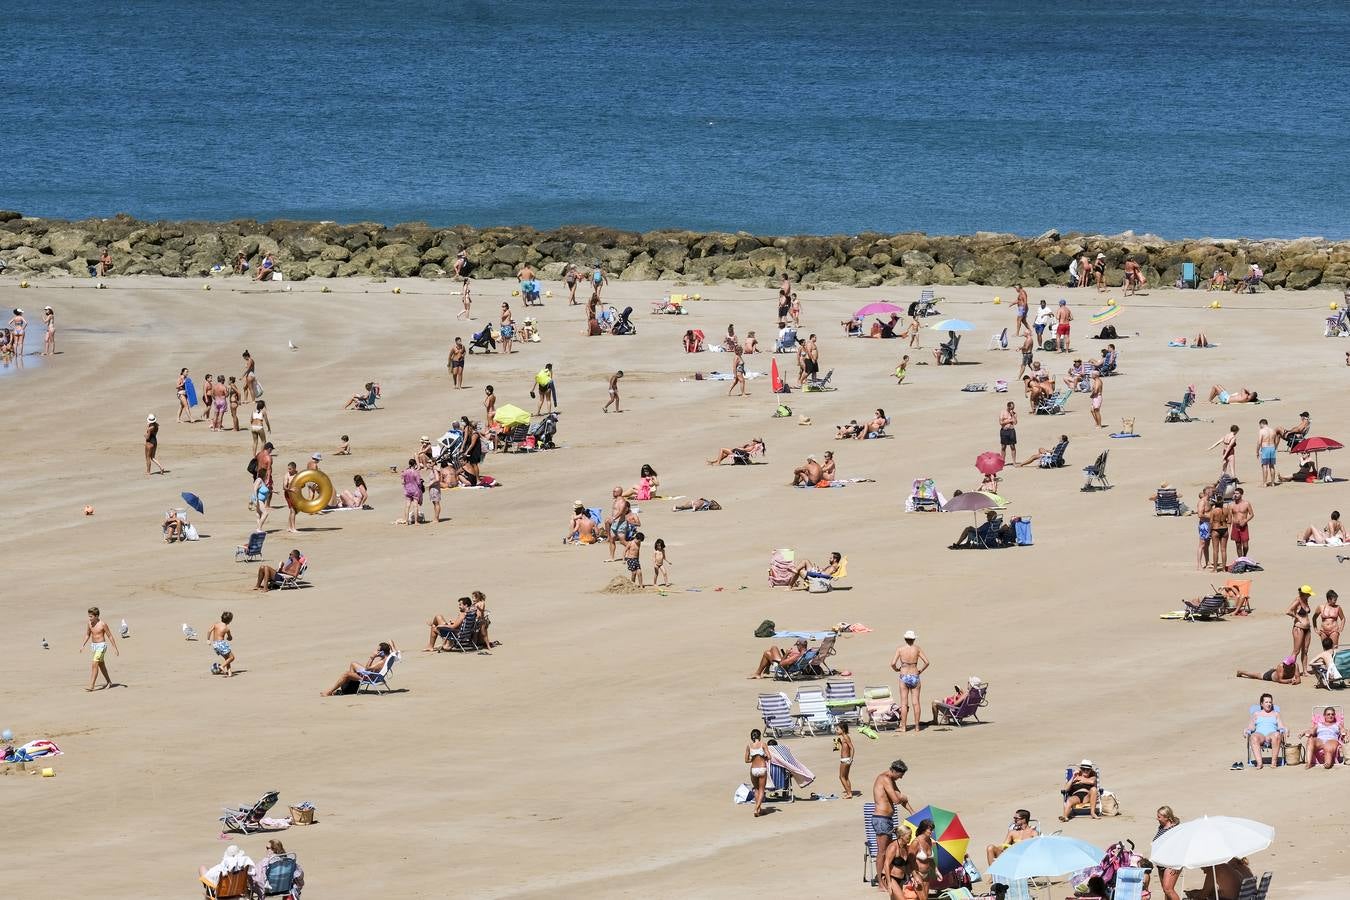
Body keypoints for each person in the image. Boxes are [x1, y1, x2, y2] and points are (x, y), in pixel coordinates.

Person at [871, 760, 912, 893]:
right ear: (894, 771)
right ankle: (881, 883)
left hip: (887, 819)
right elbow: (896, 799)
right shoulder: (884, 778)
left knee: (890, 850)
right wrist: (904, 797)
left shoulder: (891, 780)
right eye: (900, 775)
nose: (901, 778)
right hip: (881, 819)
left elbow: (900, 799)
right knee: (882, 852)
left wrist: (913, 813)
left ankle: (887, 877)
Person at [321, 640, 397, 696]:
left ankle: (330, 691)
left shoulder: (381, 663)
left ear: (382, 652)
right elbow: (394, 647)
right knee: (353, 664)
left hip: (369, 676)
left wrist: (372, 658)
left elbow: (367, 669)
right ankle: (350, 689)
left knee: (346, 674)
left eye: (378, 650)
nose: (376, 651)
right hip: (374, 674)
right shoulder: (391, 656)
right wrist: (390, 645)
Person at [890, 631, 928, 734]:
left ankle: (903, 727)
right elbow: (927, 662)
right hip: (915, 675)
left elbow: (893, 663)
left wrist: (896, 669)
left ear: (905, 639)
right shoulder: (917, 649)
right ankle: (917, 727)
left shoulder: (900, 649)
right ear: (914, 639)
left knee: (904, 703)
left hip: (904, 675)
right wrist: (920, 670)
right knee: (916, 702)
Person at [80, 606, 119, 691]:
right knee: (101, 665)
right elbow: (87, 635)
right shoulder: (89, 624)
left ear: (97, 616)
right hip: (94, 646)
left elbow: (110, 636)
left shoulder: (103, 624)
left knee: (94, 664)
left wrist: (115, 648)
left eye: (91, 616)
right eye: (89, 616)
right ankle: (109, 682)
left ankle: (91, 685)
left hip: (101, 646)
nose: (89, 618)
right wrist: (83, 645)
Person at [1245, 694, 1285, 769]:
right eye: (1266, 702)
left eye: (1270, 702)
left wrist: (1285, 729)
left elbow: (1280, 726)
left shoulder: (1276, 714)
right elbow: (1251, 726)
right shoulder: (1256, 714)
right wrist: (1247, 730)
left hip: (1271, 734)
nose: (1269, 704)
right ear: (1261, 704)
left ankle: (1274, 762)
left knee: (1277, 735)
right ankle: (1259, 763)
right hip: (1260, 735)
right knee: (1253, 736)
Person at [1153, 806, 1183, 900]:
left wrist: (1176, 863)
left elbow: (1180, 847)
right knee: (1165, 891)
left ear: (1167, 818)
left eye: (1159, 817)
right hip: (1161, 863)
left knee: (1168, 889)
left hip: (1171, 863)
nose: (1157, 818)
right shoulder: (1162, 826)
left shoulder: (1175, 830)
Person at [1288, 585, 1315, 674]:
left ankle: (1305, 671)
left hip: (1307, 628)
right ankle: (1289, 670)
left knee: (1305, 650)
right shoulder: (1298, 600)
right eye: (1309, 594)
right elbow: (1288, 611)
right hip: (1299, 628)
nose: (1310, 596)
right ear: (1304, 593)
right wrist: (1297, 617)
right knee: (1296, 651)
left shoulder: (1306, 600)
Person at [745, 729, 770, 817]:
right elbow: (769, 756)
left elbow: (746, 760)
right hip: (762, 768)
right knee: (762, 789)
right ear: (759, 736)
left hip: (753, 769)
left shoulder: (749, 746)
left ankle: (759, 809)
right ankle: (756, 808)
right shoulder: (763, 744)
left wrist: (753, 759)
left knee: (756, 789)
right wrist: (764, 758)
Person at [1236, 655, 1300, 685]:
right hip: (1270, 676)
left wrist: (1296, 682)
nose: (1284, 665)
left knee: (1275, 671)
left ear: (1292, 665)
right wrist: (1290, 680)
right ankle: (1241, 672)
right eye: (1284, 663)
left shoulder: (1295, 665)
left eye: (1286, 664)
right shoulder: (1281, 666)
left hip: (1276, 672)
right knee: (1256, 675)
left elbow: (1298, 679)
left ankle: (1273, 669)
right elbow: (1279, 680)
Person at [207, 611, 236, 677]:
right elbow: (230, 638)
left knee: (227, 658)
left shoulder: (216, 624)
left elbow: (209, 631)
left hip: (215, 644)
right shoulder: (226, 628)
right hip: (221, 644)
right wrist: (229, 638)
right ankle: (222, 666)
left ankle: (229, 673)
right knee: (232, 657)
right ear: (230, 621)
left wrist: (208, 640)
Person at [1230, 487, 1254, 558]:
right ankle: (1240, 559)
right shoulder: (1231, 505)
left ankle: (1244, 556)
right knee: (1238, 544)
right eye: (1234, 493)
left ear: (1241, 494)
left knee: (1245, 545)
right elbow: (1228, 516)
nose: (1235, 495)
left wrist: (1245, 521)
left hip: (1244, 525)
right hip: (1235, 525)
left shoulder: (1246, 503)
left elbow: (1252, 514)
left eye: (1237, 493)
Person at [833, 722, 854, 798]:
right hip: (846, 759)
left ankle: (849, 793)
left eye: (838, 729)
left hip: (845, 760)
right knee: (846, 777)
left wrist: (851, 758)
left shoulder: (846, 737)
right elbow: (846, 748)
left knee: (841, 777)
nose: (836, 730)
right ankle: (849, 792)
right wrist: (839, 743)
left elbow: (852, 748)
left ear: (843, 729)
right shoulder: (844, 738)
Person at [401, 459, 423, 525]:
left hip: (407, 489)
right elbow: (419, 483)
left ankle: (406, 521)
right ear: (414, 464)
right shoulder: (415, 472)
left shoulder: (405, 472)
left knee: (407, 506)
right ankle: (416, 521)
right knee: (415, 506)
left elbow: (402, 482)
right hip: (415, 490)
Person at [1257, 419, 1278, 487]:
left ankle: (1265, 483)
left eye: (1260, 425)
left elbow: (1259, 442)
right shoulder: (1273, 431)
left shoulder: (1262, 431)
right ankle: (1272, 483)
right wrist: (1274, 448)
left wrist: (1257, 451)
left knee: (1264, 466)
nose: (1260, 426)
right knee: (1272, 466)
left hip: (1265, 448)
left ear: (1262, 424)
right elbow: (1276, 441)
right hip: (1272, 448)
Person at [282, 461, 299, 533]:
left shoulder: (298, 474)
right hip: (288, 494)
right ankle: (293, 528)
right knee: (293, 510)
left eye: (290, 469)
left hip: (295, 494)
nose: (289, 470)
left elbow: (302, 484)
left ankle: (289, 527)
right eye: (288, 469)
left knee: (293, 511)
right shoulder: (287, 475)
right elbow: (284, 487)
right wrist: (290, 489)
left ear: (294, 469)